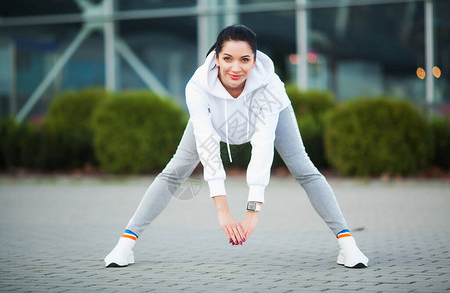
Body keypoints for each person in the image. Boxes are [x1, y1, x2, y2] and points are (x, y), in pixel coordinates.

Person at [104, 24, 369, 269]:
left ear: (255, 61)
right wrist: (223, 210)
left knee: (304, 169)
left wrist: (252, 211)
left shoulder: (270, 86)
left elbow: (263, 145)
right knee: (173, 173)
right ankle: (126, 244)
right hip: (213, 122)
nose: (236, 68)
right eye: (228, 58)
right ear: (216, 58)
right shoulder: (198, 87)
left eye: (245, 60)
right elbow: (207, 143)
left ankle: (347, 244)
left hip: (266, 116)